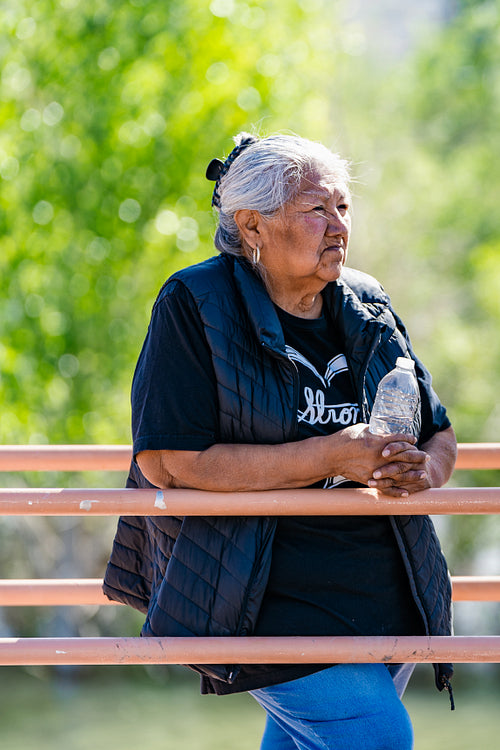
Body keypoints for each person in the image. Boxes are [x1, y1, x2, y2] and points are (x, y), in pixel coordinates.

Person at [104, 132, 457, 749]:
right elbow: (168, 462)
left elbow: (440, 435)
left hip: (385, 586)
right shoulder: (194, 303)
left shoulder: (368, 302)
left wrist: (419, 471)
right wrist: (331, 454)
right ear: (252, 225)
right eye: (316, 209)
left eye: (343, 208)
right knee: (377, 737)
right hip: (259, 595)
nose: (338, 225)